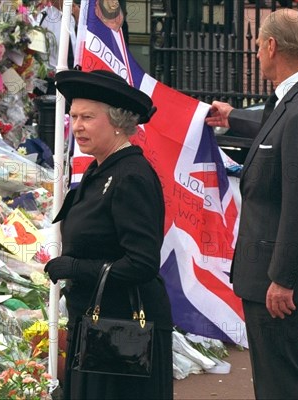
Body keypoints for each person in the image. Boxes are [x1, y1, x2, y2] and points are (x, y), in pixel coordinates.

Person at [205, 9, 298, 399]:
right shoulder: (296, 98)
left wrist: (283, 278)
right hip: (267, 273)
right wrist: (232, 117)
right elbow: (271, 125)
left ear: (272, 45)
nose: (257, 53)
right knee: (270, 378)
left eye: (258, 45)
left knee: (278, 383)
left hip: (275, 280)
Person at [45, 69, 173, 400]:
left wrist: (74, 268)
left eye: (87, 117)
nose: (77, 126)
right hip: (95, 324)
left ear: (117, 121)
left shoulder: (131, 176)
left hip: (122, 330)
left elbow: (142, 263)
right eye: (73, 116)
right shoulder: (100, 168)